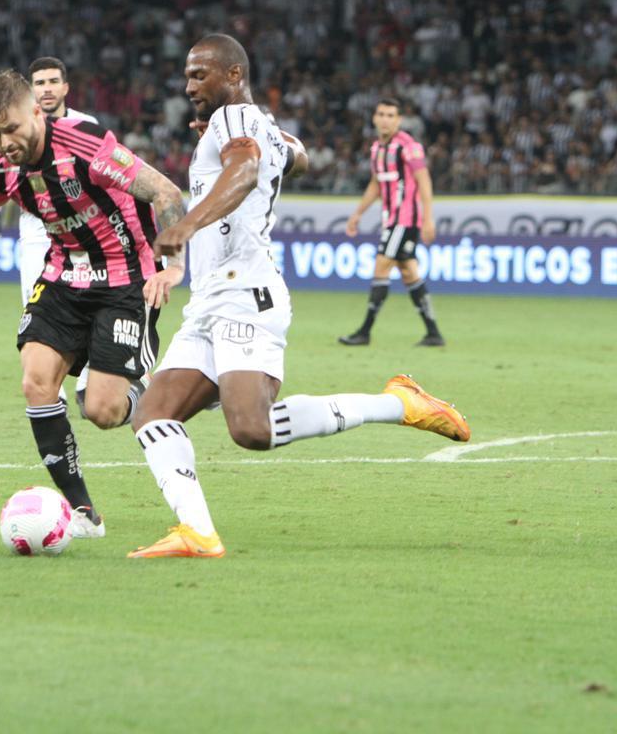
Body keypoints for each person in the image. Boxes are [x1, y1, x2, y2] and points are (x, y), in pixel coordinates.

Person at [127, 35, 470, 559]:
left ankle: (398, 403)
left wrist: (186, 225)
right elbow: (299, 158)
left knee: (252, 429)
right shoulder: (255, 124)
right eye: (188, 75)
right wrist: (250, 139)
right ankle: (197, 532)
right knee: (153, 413)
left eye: (200, 74)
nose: (189, 85)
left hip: (245, 293)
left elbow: (244, 170)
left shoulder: (234, 120)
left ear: (234, 75)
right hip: (209, 300)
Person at [0, 70, 188, 539]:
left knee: (102, 410)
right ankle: (84, 513)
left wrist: (174, 266)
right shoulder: (2, 166)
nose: (6, 142)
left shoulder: (85, 145)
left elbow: (165, 191)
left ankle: (157, 389)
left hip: (126, 277)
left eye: (12, 129)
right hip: (63, 276)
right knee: (36, 383)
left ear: (36, 113)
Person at [27, 56, 102, 405]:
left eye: (53, 81)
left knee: (90, 305)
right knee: (38, 312)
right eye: (40, 83)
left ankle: (92, 377)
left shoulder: (86, 125)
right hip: (36, 231)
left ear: (66, 87)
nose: (47, 89)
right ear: (31, 90)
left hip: (84, 235)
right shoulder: (21, 127)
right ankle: (51, 399)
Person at [339, 99, 445, 347]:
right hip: (391, 220)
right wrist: (357, 213)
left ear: (399, 120)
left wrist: (428, 218)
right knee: (408, 272)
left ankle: (364, 331)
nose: (385, 119)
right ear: (374, 118)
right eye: (381, 114)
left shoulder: (408, 146)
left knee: (381, 265)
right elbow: (376, 184)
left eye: (390, 115)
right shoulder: (377, 148)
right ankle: (433, 333)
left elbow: (424, 180)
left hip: (405, 219)